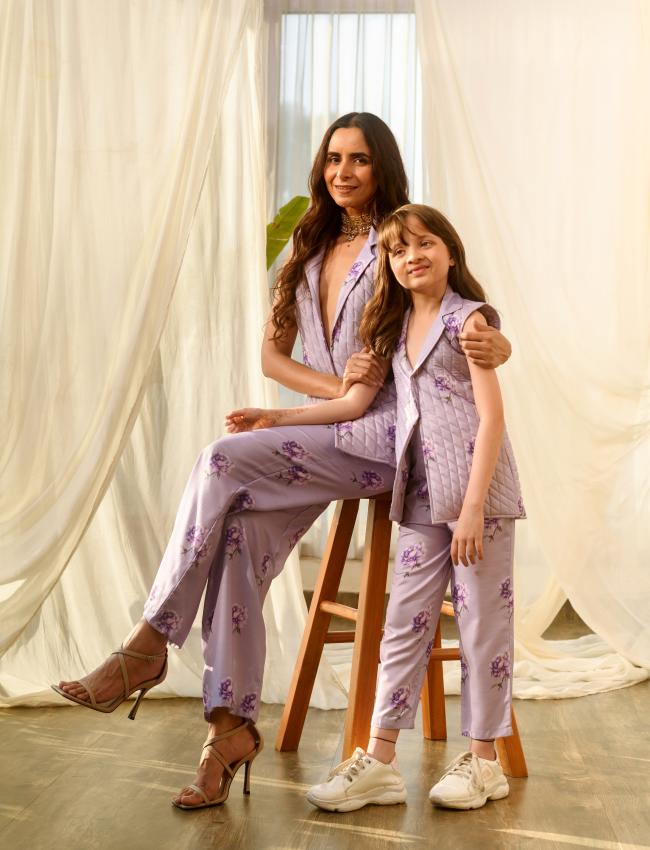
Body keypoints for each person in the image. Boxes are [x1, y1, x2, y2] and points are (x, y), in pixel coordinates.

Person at [52, 114, 511, 811]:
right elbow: (272, 358)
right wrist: (335, 392)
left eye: (359, 159)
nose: (343, 172)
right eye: (332, 158)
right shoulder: (306, 242)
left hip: (391, 442)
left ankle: (148, 642)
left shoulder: (399, 243)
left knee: (221, 461)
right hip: (331, 427)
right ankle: (227, 734)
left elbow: (448, 314)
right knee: (236, 539)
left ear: (382, 166)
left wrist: (493, 343)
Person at [227, 203, 525, 812]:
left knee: (480, 625)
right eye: (397, 250)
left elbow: (492, 419)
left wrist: (471, 510)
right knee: (402, 623)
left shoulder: (469, 321)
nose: (412, 256)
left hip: (478, 499)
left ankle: (485, 761)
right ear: (387, 263)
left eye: (425, 244)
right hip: (418, 493)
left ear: (449, 251)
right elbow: (349, 405)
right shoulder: (388, 332)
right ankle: (381, 759)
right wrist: (275, 415)